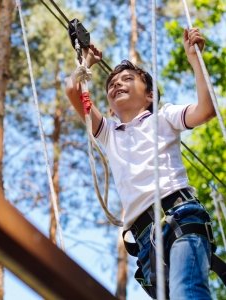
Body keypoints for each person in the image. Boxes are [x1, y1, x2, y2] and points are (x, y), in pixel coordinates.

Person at [65, 28, 216, 299]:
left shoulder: (163, 117)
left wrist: (195, 60)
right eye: (112, 84)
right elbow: (73, 89)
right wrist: (85, 63)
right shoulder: (108, 133)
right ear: (110, 108)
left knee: (187, 290)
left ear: (149, 96)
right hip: (145, 241)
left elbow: (206, 110)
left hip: (180, 216)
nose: (117, 84)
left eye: (128, 79)